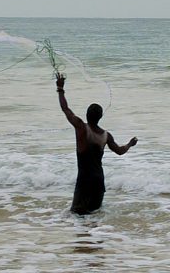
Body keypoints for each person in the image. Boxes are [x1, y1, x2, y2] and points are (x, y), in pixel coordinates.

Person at [56, 72, 137, 215]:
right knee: (94, 217)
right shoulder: (106, 136)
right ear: (100, 117)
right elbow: (119, 151)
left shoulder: (81, 128)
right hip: (99, 182)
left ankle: (81, 237)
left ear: (86, 115)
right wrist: (130, 144)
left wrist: (60, 89)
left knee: (77, 215)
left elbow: (65, 109)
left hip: (84, 182)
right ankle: (97, 237)